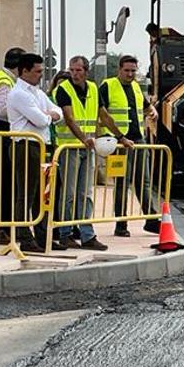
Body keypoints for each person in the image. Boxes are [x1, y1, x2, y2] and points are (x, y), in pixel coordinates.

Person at [53, 56, 132, 251]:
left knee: (86, 193)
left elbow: (103, 116)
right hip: (69, 148)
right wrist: (83, 138)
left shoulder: (94, 89)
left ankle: (87, 235)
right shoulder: (63, 89)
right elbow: (69, 119)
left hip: (88, 148)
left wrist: (120, 137)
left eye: (78, 70)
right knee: (68, 194)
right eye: (72, 70)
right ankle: (66, 234)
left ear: (86, 71)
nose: (74, 74)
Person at [5, 53, 65, 253]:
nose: (41, 74)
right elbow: (41, 120)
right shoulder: (19, 94)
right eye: (38, 71)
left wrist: (49, 115)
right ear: (24, 71)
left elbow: (58, 112)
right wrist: (49, 116)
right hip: (25, 146)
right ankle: (24, 237)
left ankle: (42, 236)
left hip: (40, 146)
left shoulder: (37, 93)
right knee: (27, 193)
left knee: (43, 194)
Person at [100, 55, 161, 237]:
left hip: (137, 140)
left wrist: (153, 110)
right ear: (119, 70)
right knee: (121, 184)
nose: (130, 74)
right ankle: (121, 224)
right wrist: (120, 137)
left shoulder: (135, 86)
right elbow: (103, 114)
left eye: (133, 71)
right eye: (126, 70)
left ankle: (151, 220)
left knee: (144, 181)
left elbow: (144, 106)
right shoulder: (108, 85)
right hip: (118, 143)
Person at [0, 47, 25, 244]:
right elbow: (2, 109)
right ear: (18, 66)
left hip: (5, 136)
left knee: (7, 182)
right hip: (1, 135)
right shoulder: (3, 81)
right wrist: (24, 112)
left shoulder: (7, 79)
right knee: (2, 182)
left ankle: (6, 225)